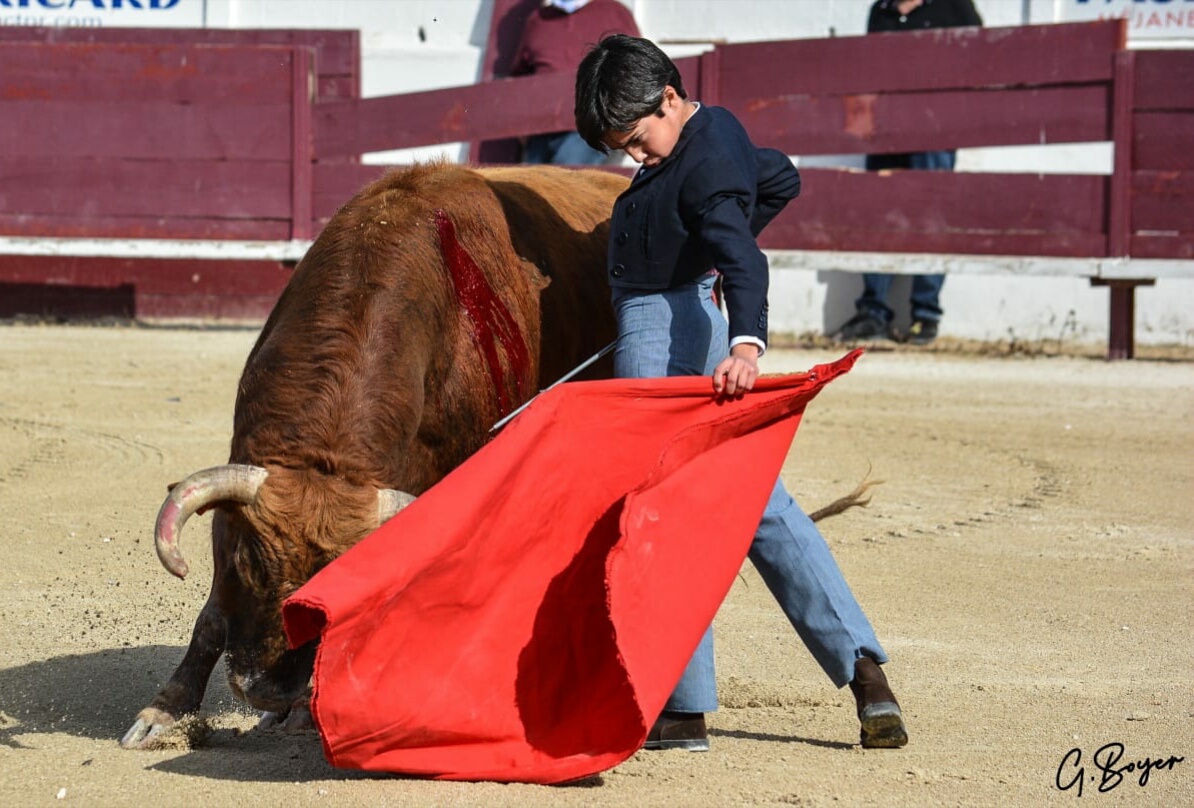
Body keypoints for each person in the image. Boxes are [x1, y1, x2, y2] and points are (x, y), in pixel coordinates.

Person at [575, 34, 907, 752]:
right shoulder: (717, 137)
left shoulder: (703, 167)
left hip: (662, 334)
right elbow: (780, 177)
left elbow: (742, 252)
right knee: (755, 497)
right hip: (694, 314)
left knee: (658, 503)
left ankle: (683, 705)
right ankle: (864, 670)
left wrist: (747, 343)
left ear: (669, 98)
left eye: (636, 140)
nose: (634, 158)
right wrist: (706, 263)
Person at [833, 0, 983, 345]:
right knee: (879, 215)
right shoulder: (881, 10)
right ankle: (873, 313)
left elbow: (978, 62)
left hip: (938, 128)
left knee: (932, 215)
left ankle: (925, 314)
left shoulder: (955, 6)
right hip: (886, 129)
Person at [511, 0, 640, 165]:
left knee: (563, 179)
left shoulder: (615, 13)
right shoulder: (537, 20)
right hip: (540, 130)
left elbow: (635, 68)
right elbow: (520, 76)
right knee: (529, 185)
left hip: (592, 127)